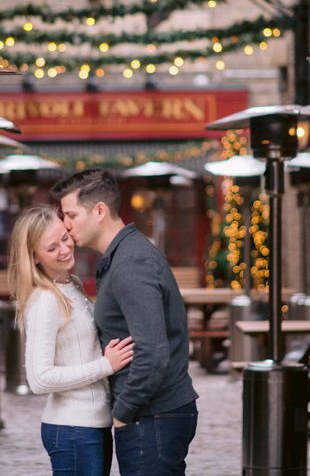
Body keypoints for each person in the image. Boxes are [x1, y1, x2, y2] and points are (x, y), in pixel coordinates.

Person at [51, 169, 199, 476]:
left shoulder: (131, 263)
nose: (65, 224)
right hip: (152, 414)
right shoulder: (123, 256)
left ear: (100, 211)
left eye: (71, 214)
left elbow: (153, 352)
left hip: (152, 415)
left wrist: (123, 412)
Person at [8, 203, 135, 476]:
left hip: (91, 426)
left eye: (64, 239)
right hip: (73, 430)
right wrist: (106, 365)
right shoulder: (46, 300)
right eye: (51, 248)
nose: (64, 250)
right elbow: (39, 378)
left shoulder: (71, 284)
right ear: (35, 256)